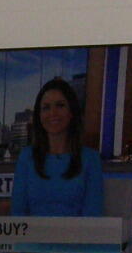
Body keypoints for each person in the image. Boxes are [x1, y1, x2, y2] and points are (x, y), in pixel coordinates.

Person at [9, 76, 104, 217]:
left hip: (77, 238)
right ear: (39, 115)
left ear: (71, 112)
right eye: (46, 107)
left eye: (60, 105)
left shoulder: (91, 159)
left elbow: (93, 219)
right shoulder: (27, 157)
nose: (53, 113)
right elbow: (18, 216)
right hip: (32, 238)